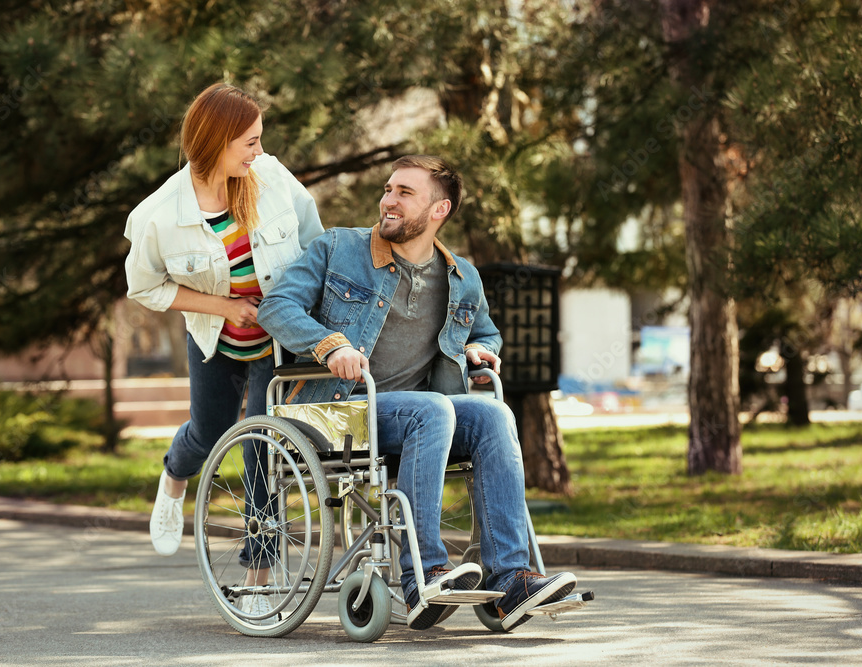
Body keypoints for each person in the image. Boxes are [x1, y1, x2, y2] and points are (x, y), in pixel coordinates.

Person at [257, 154, 577, 632]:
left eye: (405, 193)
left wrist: (480, 350)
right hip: (336, 411)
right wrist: (329, 344)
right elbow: (276, 307)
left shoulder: (462, 276)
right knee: (434, 410)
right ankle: (424, 573)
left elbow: (487, 333)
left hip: (419, 414)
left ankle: (511, 579)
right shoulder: (337, 249)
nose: (388, 200)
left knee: (494, 416)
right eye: (389, 189)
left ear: (438, 210)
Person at [123, 83, 324, 619]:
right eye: (250, 143)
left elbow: (313, 244)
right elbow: (144, 287)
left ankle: (260, 578)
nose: (260, 153)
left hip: (276, 343)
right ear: (215, 143)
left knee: (263, 445)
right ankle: (173, 478)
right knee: (207, 434)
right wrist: (221, 305)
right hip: (215, 339)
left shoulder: (272, 180)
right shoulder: (160, 214)